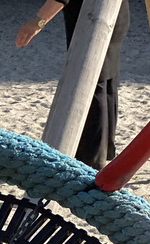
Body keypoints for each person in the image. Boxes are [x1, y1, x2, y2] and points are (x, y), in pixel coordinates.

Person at [16, 0, 130, 169]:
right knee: (106, 80)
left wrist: (38, 21)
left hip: (94, 19)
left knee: (92, 85)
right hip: (115, 13)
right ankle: (104, 150)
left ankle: (91, 158)